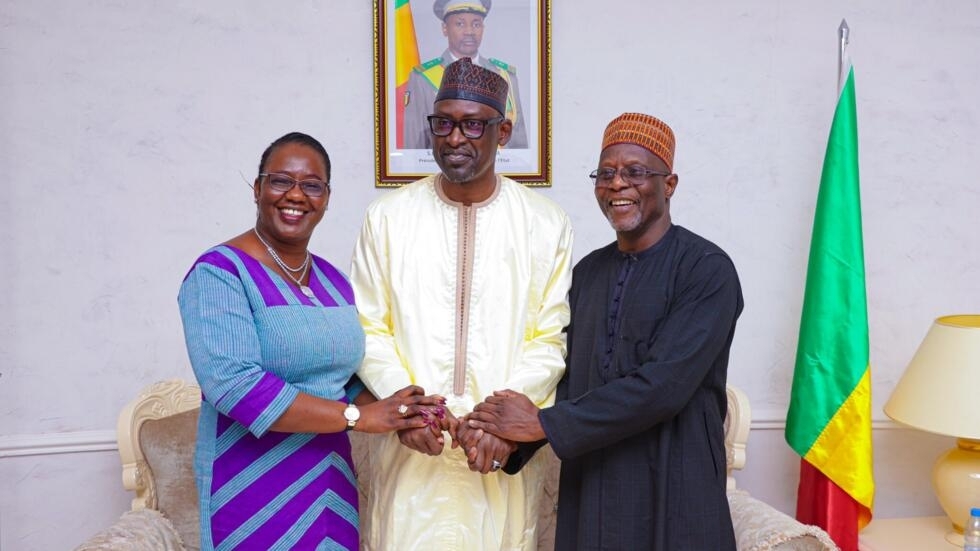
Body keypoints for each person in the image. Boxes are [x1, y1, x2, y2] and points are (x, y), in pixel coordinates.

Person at [468, 113, 744, 550]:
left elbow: (663, 387)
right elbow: (566, 378)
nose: (617, 184)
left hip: (676, 487)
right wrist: (505, 439)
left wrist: (539, 422)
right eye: (607, 173)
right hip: (594, 492)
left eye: (635, 172)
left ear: (669, 184)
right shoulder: (587, 273)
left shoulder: (706, 270)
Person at [177, 132, 445, 550]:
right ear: (258, 189)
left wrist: (404, 411)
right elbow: (235, 386)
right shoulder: (220, 273)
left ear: (326, 197)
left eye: (312, 185)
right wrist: (359, 419)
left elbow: (344, 378)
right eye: (281, 181)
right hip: (251, 488)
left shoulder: (334, 282)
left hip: (330, 484)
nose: (296, 195)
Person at [351, 58, 573, 550]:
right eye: (444, 123)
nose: (455, 138)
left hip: (495, 454)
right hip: (412, 452)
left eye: (474, 124)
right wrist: (409, 410)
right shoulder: (387, 218)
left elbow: (549, 338)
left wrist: (497, 424)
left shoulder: (545, 223)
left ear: (504, 130)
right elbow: (368, 327)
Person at [402, 0, 529, 150]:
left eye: (476, 24)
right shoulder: (423, 79)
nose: (469, 31)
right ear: (444, 28)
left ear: (483, 28)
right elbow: (413, 148)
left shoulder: (505, 76)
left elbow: (519, 147)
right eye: (460, 24)